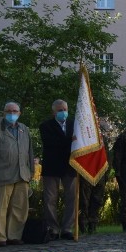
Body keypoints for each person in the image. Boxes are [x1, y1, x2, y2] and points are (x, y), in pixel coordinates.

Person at [0, 102, 35, 246]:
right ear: (3, 113)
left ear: (19, 113)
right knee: (0, 208)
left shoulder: (24, 129)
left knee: (19, 208)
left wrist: (31, 172)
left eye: (15, 111)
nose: (12, 113)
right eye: (9, 111)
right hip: (2, 175)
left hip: (22, 175)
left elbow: (29, 152)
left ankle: (14, 236)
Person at [39, 99, 76, 241]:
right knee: (50, 199)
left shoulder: (74, 124)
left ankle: (67, 228)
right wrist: (70, 140)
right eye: (60, 110)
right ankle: (53, 228)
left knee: (72, 198)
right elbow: (51, 143)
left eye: (65, 109)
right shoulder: (45, 126)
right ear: (54, 112)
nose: (63, 112)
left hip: (70, 166)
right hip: (52, 166)